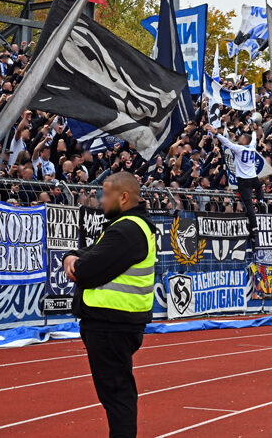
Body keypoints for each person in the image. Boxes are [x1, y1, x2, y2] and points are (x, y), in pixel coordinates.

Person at [63, 172, 156, 437]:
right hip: (116, 324)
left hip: (111, 326)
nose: (101, 200)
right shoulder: (128, 226)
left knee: (117, 398)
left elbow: (86, 269)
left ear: (123, 197)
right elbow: (89, 254)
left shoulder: (127, 230)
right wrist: (75, 258)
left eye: (105, 194)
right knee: (117, 396)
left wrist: (72, 262)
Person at [206, 124, 265, 238]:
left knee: (249, 205)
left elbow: (227, 143)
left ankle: (254, 227)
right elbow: (254, 140)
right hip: (253, 178)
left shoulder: (239, 149)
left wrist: (216, 133)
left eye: (242, 137)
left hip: (244, 181)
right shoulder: (252, 147)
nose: (240, 138)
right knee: (259, 187)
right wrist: (253, 130)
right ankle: (261, 200)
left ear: (244, 141)